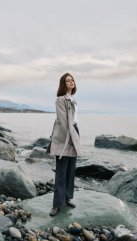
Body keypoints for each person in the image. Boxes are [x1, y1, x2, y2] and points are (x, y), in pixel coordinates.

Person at [48, 73, 81, 217]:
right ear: (63, 84)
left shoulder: (73, 100)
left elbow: (74, 120)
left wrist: (76, 136)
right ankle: (57, 204)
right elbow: (63, 121)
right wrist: (72, 136)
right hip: (64, 135)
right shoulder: (60, 100)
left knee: (70, 170)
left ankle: (67, 198)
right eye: (67, 81)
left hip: (74, 131)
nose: (71, 82)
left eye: (72, 80)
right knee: (61, 172)